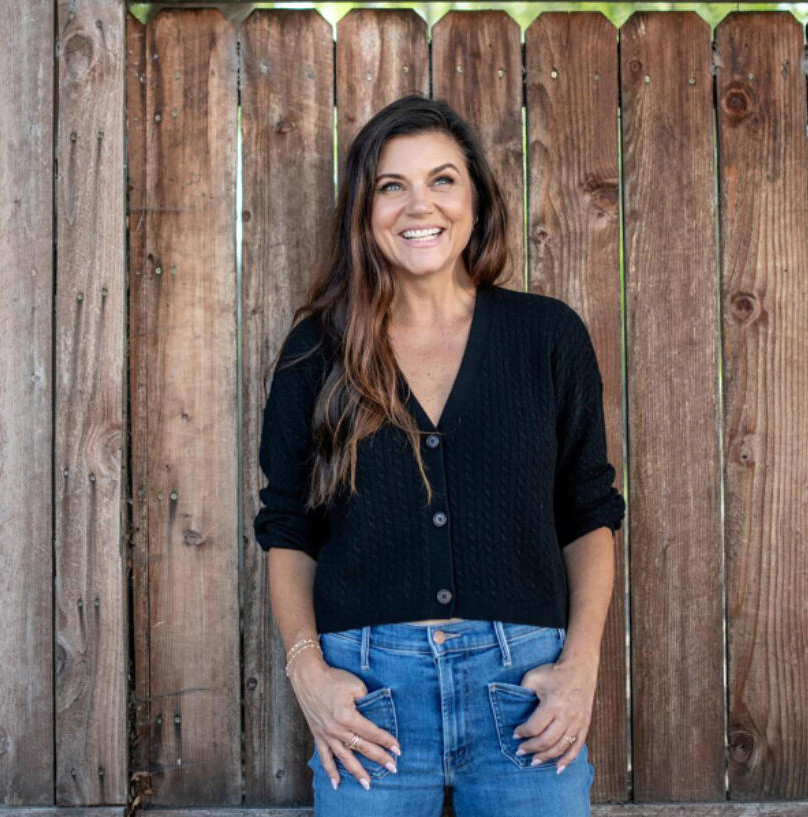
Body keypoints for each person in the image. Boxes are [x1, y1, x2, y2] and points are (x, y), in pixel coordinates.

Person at [253, 94, 624, 816]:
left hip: (525, 689)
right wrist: (309, 676)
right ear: (365, 210)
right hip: (369, 699)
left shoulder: (546, 336)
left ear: (477, 201)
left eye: (442, 179)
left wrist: (580, 667)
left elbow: (588, 514)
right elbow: (287, 528)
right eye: (391, 185)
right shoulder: (315, 352)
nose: (418, 204)